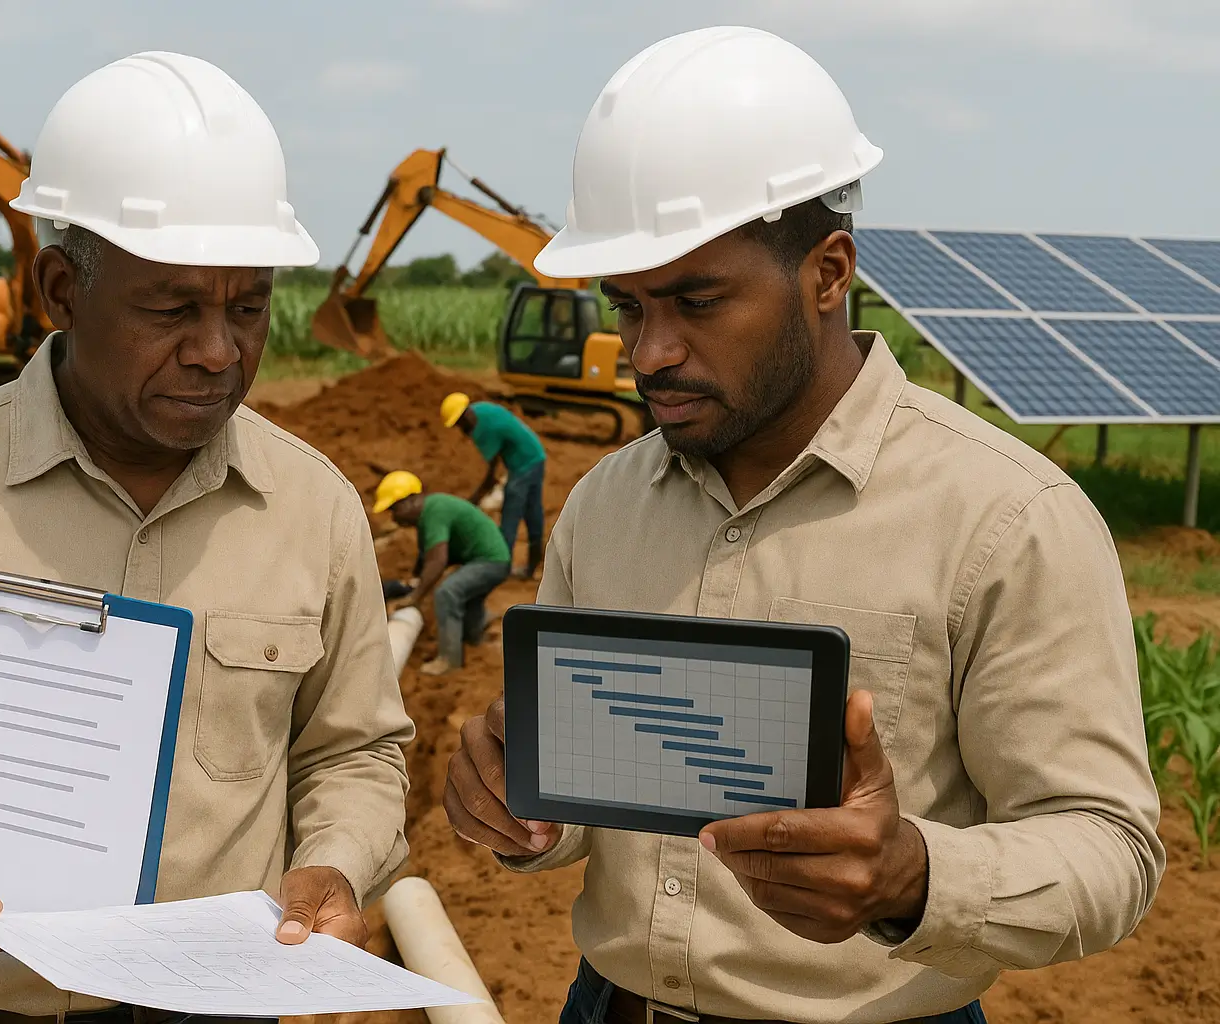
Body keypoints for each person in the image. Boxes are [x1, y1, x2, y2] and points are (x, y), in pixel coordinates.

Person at [443, 27, 1162, 1024]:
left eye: (697, 301)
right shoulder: (607, 502)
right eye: (628, 306)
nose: (649, 351)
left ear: (827, 273)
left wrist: (909, 874)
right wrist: (523, 809)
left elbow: (1109, 847)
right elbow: (579, 800)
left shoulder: (1006, 518)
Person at [0, 52, 414, 1024]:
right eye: (173, 307)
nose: (219, 349)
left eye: (249, 306)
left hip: (210, 1006)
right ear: (61, 288)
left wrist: (334, 862)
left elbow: (356, 751)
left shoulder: (315, 509)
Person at [374, 470, 511, 676]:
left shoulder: (434, 512)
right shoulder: (430, 513)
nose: (394, 517)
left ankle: (449, 660)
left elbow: (437, 560)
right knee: (468, 598)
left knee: (447, 593)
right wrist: (415, 583)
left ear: (411, 500)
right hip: (487, 559)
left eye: (395, 509)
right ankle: (475, 638)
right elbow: (426, 558)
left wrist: (415, 597)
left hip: (490, 561)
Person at [441, 392, 548, 578]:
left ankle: (499, 568)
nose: (460, 429)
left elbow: (491, 474)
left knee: (510, 515)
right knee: (532, 512)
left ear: (464, 416)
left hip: (523, 465)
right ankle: (533, 564)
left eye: (458, 424)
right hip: (536, 455)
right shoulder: (481, 409)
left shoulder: (483, 430)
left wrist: (473, 500)